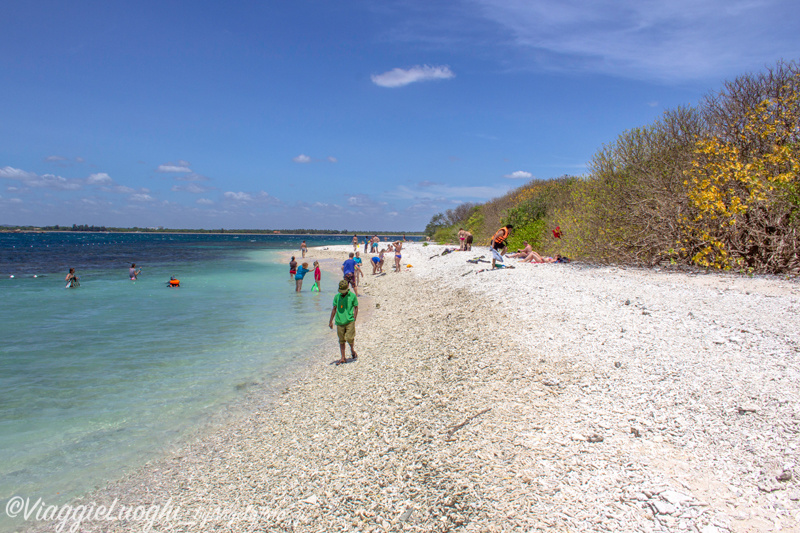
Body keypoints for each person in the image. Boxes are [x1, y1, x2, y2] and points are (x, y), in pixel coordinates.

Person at [329, 279, 358, 365]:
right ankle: (343, 357)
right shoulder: (337, 297)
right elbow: (334, 309)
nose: (343, 293)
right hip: (339, 322)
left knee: (349, 337)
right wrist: (331, 321)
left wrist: (354, 318)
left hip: (349, 321)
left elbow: (356, 307)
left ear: (347, 288)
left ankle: (352, 350)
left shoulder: (352, 296)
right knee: (341, 340)